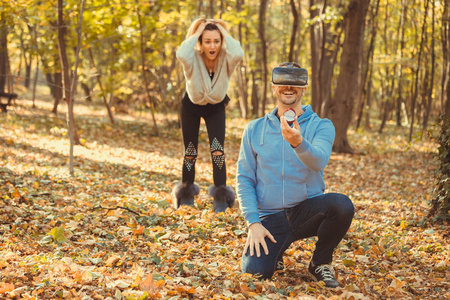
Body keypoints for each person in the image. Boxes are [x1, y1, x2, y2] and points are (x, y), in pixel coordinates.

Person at [236, 62, 354, 288]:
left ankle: (320, 262)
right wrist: (253, 223)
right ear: (273, 88)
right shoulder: (254, 128)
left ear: (303, 89)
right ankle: (276, 250)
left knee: (341, 205)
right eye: (282, 84)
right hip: (269, 217)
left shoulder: (322, 126)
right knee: (255, 274)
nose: (288, 88)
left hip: (305, 211)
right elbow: (244, 178)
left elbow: (319, 160)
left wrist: (297, 142)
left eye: (294, 84)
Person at [173, 18, 244, 213]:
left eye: (216, 40)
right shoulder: (192, 59)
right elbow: (181, 53)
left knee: (217, 150)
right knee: (190, 151)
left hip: (215, 109)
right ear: (201, 43)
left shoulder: (226, 60)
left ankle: (221, 195)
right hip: (191, 107)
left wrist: (223, 29)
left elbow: (238, 52)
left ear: (221, 42)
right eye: (207, 41)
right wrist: (197, 31)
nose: (212, 45)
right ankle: (186, 193)